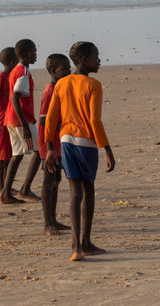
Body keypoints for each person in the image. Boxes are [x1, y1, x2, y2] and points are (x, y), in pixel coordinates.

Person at [44, 41, 115, 261]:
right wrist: (107, 149)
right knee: (88, 190)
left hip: (65, 141)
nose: (99, 61)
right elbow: (94, 120)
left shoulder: (61, 84)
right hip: (86, 143)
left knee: (74, 193)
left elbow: (51, 117)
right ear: (83, 60)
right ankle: (86, 242)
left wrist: (49, 147)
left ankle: (75, 247)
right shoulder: (93, 84)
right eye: (96, 57)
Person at [0, 39, 41, 204]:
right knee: (40, 151)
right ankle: (25, 188)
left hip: (11, 119)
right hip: (21, 120)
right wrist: (25, 125)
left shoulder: (15, 70)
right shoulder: (23, 72)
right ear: (29, 53)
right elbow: (15, 98)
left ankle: (6, 193)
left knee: (16, 155)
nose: (36, 55)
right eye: (35, 52)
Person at [39, 54, 71, 235]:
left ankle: (53, 219)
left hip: (58, 143)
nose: (68, 71)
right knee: (49, 180)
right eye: (64, 69)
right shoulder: (50, 92)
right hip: (50, 144)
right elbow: (45, 122)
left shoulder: (59, 89)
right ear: (53, 71)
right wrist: (49, 147)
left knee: (56, 180)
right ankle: (47, 223)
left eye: (69, 67)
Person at [0, 47, 18, 195]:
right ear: (13, 61)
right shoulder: (1, 78)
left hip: (11, 120)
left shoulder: (14, 76)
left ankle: (7, 184)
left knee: (10, 153)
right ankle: (0, 186)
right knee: (2, 155)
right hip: (2, 121)